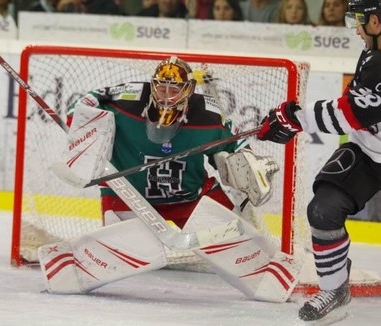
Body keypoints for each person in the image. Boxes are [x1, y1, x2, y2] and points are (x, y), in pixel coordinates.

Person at [258, 0, 381, 322]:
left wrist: (293, 118)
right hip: (368, 149)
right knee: (322, 211)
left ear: (378, 21)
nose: (354, 28)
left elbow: (349, 115)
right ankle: (335, 290)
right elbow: (355, 106)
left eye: (358, 19)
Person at [37, 56, 301, 303]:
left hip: (190, 196)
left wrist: (246, 163)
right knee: (140, 247)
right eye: (160, 88)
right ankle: (68, 263)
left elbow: (236, 146)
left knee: (234, 241)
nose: (165, 95)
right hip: (127, 195)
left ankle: (270, 271)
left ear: (188, 89)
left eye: (173, 89)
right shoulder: (126, 100)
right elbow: (88, 101)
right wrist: (83, 123)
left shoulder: (208, 116)